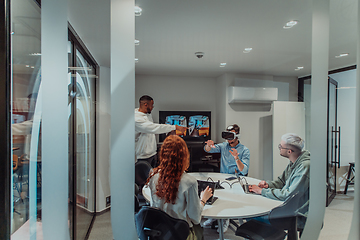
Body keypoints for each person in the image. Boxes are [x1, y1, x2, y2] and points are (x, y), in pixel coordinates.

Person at [146, 135, 213, 240]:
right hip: (180, 235)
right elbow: (195, 219)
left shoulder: (153, 176)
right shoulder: (190, 182)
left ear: (163, 154)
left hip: (159, 233)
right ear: (184, 155)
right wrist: (203, 200)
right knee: (199, 229)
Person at [248, 133, 310, 229]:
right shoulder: (294, 162)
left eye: (281, 146)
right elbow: (281, 182)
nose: (279, 148)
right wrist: (268, 185)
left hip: (298, 215)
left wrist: (262, 191)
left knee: (251, 216)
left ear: (289, 151)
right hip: (291, 209)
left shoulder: (304, 167)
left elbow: (288, 195)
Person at [203, 124, 250, 232]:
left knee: (228, 197)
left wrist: (236, 158)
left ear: (237, 135)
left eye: (231, 135)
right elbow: (208, 150)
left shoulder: (244, 150)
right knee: (214, 194)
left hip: (236, 180)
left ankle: (225, 220)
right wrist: (209, 145)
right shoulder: (224, 146)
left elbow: (245, 170)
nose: (228, 139)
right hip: (222, 177)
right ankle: (213, 216)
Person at [135, 95, 187, 167]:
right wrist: (175, 127)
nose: (153, 107)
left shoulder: (147, 114)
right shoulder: (137, 119)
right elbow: (155, 128)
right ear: (145, 104)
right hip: (142, 157)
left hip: (152, 153)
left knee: (153, 177)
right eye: (152, 105)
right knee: (145, 177)